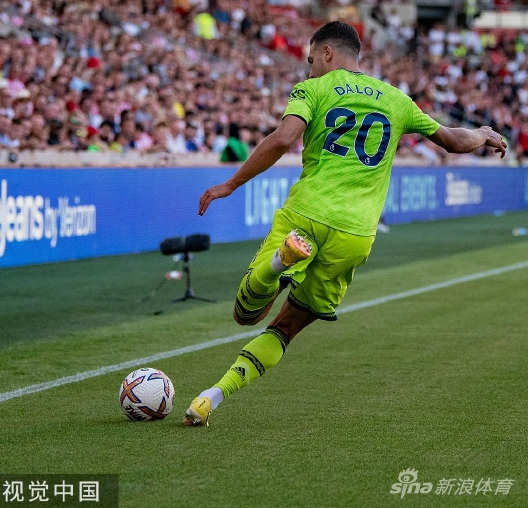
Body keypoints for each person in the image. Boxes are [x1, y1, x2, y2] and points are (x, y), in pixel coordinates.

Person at [183, 22, 506, 426]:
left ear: (328, 52)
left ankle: (280, 263)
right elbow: (454, 141)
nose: (310, 67)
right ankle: (211, 398)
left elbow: (282, 139)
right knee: (285, 328)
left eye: (311, 59)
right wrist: (481, 133)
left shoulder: (313, 89)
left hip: (308, 213)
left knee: (246, 314)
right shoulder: (397, 99)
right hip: (355, 234)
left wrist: (231, 184)